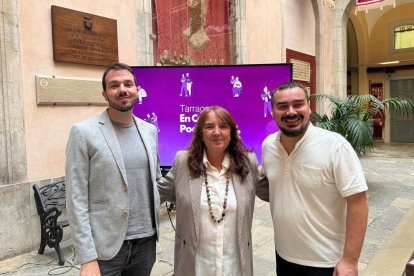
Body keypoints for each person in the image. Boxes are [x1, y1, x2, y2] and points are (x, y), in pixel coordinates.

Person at [260, 81, 368, 276]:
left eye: (298, 104)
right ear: (273, 110)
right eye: (282, 106)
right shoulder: (268, 146)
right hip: (283, 256)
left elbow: (358, 203)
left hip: (326, 262)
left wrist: (350, 261)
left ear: (309, 107)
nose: (291, 112)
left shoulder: (335, 146)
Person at [65, 62, 161, 276]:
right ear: (104, 94)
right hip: (105, 248)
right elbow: (76, 198)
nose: (122, 90)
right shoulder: (83, 132)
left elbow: (156, 181)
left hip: (145, 243)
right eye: (114, 85)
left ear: (137, 90)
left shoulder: (150, 131)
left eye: (128, 84)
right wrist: (86, 256)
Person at [158, 106, 267, 276]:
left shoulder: (248, 162)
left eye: (223, 126)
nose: (217, 132)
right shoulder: (183, 162)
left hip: (234, 265)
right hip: (195, 265)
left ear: (231, 132)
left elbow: (269, 191)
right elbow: (156, 193)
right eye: (209, 127)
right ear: (200, 133)